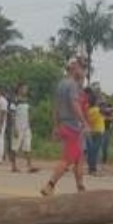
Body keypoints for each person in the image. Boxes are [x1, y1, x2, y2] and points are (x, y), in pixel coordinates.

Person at [41, 58, 89, 196]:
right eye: (81, 67)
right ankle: (50, 185)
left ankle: (80, 186)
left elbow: (56, 108)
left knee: (79, 158)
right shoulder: (72, 85)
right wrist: (84, 121)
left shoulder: (61, 84)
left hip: (64, 124)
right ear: (74, 67)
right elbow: (75, 105)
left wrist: (56, 126)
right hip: (73, 126)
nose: (83, 71)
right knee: (67, 159)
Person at [9, 82, 37, 173]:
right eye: (24, 88)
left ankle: (30, 165)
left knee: (27, 146)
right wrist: (14, 127)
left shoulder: (27, 100)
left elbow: (29, 112)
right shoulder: (15, 100)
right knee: (15, 147)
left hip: (26, 126)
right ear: (19, 89)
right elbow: (12, 114)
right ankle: (13, 166)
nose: (26, 90)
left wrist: (30, 122)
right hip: (18, 126)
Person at [85, 88, 105, 176]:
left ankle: (91, 168)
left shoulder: (88, 110)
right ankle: (93, 169)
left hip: (91, 130)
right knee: (95, 151)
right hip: (99, 131)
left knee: (91, 151)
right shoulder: (98, 110)